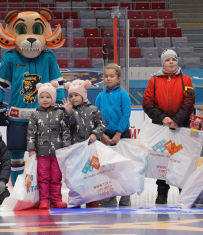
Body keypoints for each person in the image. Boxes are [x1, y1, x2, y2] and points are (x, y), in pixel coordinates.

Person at [142, 49, 196, 205]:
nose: (171, 62)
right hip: (161, 127)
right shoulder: (153, 80)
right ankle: (162, 192)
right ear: (162, 63)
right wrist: (163, 118)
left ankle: (183, 191)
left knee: (181, 161)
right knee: (161, 160)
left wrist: (177, 120)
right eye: (167, 60)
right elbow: (147, 103)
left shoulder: (186, 80)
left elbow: (189, 102)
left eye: (174, 59)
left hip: (181, 127)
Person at [63, 79, 106, 208]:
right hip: (76, 150)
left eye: (76, 95)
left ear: (83, 95)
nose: (73, 98)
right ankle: (76, 198)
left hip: (91, 150)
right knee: (75, 175)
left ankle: (91, 198)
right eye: (71, 96)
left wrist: (95, 134)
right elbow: (66, 127)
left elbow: (102, 124)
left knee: (91, 174)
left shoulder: (93, 109)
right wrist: (68, 114)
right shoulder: (69, 111)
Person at [27, 82, 70, 210]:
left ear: (53, 98)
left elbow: (65, 131)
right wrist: (31, 149)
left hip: (57, 152)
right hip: (42, 153)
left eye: (48, 97)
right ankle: (44, 200)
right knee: (43, 177)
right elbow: (31, 133)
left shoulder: (60, 113)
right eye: (42, 97)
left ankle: (56, 199)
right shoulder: (35, 115)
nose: (45, 100)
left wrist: (66, 147)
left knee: (56, 177)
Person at [95, 62, 133, 207]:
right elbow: (96, 116)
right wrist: (102, 134)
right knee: (108, 168)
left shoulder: (123, 94)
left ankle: (125, 194)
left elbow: (126, 114)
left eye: (111, 76)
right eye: (106, 76)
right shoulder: (100, 96)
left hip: (122, 135)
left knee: (123, 167)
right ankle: (110, 196)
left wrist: (118, 133)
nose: (108, 79)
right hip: (105, 136)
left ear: (118, 78)